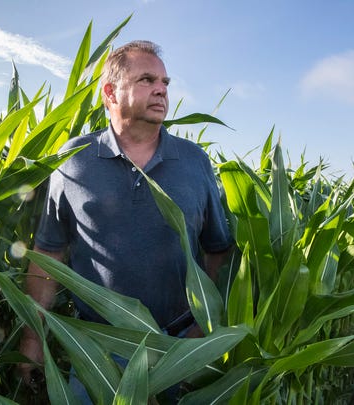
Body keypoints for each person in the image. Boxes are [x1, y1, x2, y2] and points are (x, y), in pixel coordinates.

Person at [19, 40, 233, 400]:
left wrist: (203, 327)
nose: (161, 89)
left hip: (181, 346)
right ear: (110, 93)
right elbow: (48, 254)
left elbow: (218, 250)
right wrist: (31, 338)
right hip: (98, 346)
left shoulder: (195, 162)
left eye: (165, 82)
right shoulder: (74, 160)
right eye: (147, 79)